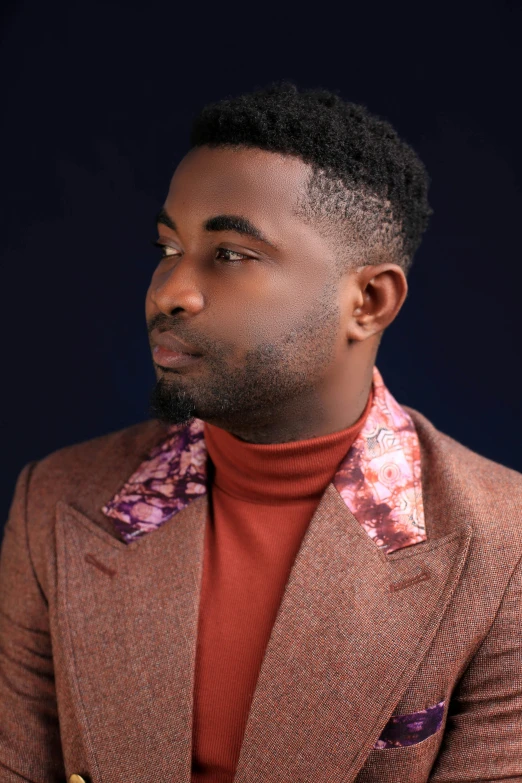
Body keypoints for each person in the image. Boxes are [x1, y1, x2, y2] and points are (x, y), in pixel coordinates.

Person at [1, 81, 521, 783]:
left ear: (368, 300)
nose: (169, 290)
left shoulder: (505, 545)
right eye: (168, 246)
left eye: (231, 254)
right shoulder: (56, 501)